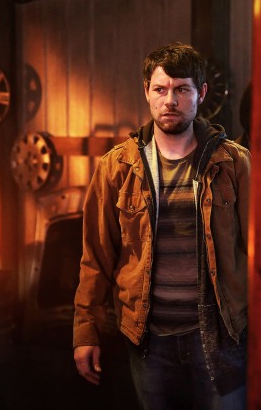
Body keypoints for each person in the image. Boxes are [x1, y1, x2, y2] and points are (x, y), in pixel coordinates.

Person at [73, 42, 250, 410]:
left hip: (221, 335)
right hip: (149, 339)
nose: (170, 100)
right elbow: (96, 257)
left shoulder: (234, 163)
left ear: (201, 93)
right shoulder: (116, 167)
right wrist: (85, 331)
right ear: (147, 92)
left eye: (182, 89)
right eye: (161, 89)